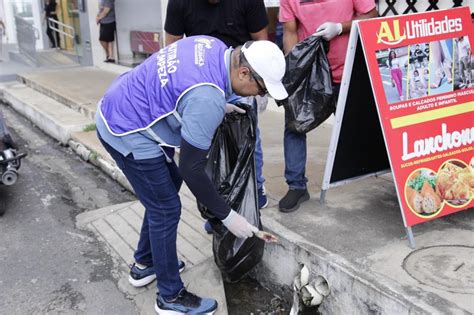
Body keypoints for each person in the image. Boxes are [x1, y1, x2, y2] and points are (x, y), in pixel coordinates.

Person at [96, 36, 287, 314]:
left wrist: (219, 105)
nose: (257, 96)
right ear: (244, 72)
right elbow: (191, 168)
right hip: (125, 128)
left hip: (124, 102)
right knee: (166, 208)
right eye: (260, 89)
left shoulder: (212, 46)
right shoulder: (207, 99)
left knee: (168, 185)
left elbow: (184, 85)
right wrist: (228, 216)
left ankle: (145, 264)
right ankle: (170, 297)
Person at [164, 0, 270, 211]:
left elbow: (260, 40)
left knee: (247, 137)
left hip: (241, 75)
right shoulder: (179, 2)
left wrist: (261, 84)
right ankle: (215, 201)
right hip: (201, 80)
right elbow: (172, 47)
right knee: (206, 145)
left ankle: (255, 188)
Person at [278, 0, 377, 212]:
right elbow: (290, 31)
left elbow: (372, 15)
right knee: (295, 125)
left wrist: (340, 27)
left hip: (351, 70)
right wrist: (295, 68)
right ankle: (296, 186)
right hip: (312, 73)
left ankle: (395, 173)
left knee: (371, 125)